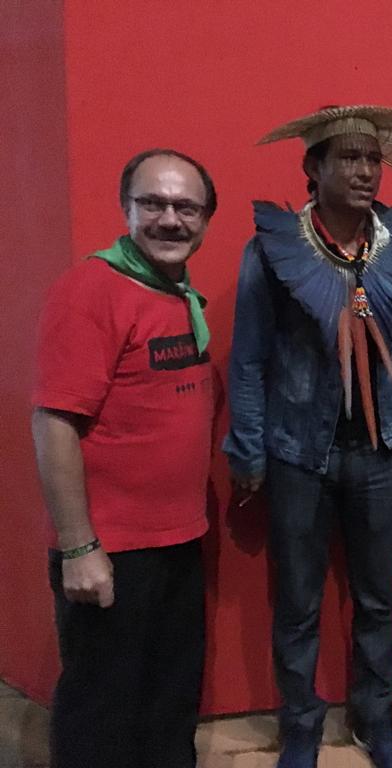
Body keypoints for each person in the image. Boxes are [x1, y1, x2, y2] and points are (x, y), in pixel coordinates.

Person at [223, 104, 392, 768]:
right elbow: (249, 358)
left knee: (379, 600)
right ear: (313, 167)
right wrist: (250, 449)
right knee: (297, 603)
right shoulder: (272, 249)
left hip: (381, 456)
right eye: (349, 157)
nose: (366, 171)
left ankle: (375, 718)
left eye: (374, 159)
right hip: (299, 455)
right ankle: (300, 726)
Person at [31, 149, 218, 768]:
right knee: (101, 714)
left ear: (205, 219)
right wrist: (80, 547)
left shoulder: (174, 294)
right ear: (126, 209)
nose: (170, 220)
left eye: (186, 207)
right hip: (111, 550)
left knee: (169, 702)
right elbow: (54, 422)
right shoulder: (89, 292)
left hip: (177, 542)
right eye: (153, 204)